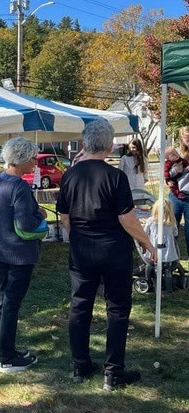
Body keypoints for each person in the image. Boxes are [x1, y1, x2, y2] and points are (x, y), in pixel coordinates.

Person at [56, 119, 156, 390]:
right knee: (118, 309)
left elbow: (64, 216)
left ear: (85, 142)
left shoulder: (70, 175)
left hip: (82, 249)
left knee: (80, 305)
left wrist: (76, 234)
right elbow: (128, 220)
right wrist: (147, 243)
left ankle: (81, 365)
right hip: (113, 250)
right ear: (110, 144)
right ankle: (112, 373)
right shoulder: (115, 177)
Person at [0, 137, 45, 374]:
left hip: (2, 249)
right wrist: (41, 216)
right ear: (23, 159)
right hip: (20, 254)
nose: (35, 163)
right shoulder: (19, 186)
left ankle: (6, 350)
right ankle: (7, 359)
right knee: (10, 305)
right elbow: (26, 222)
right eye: (33, 158)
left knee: (2, 303)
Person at [169, 126, 189, 257]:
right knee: (171, 229)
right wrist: (175, 170)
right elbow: (168, 175)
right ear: (181, 138)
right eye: (186, 137)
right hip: (176, 196)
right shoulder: (176, 154)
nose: (188, 139)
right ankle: (171, 259)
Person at [144, 199, 179, 264]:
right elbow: (175, 233)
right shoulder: (172, 222)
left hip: (153, 250)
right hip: (168, 253)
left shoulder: (151, 220)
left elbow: (145, 233)